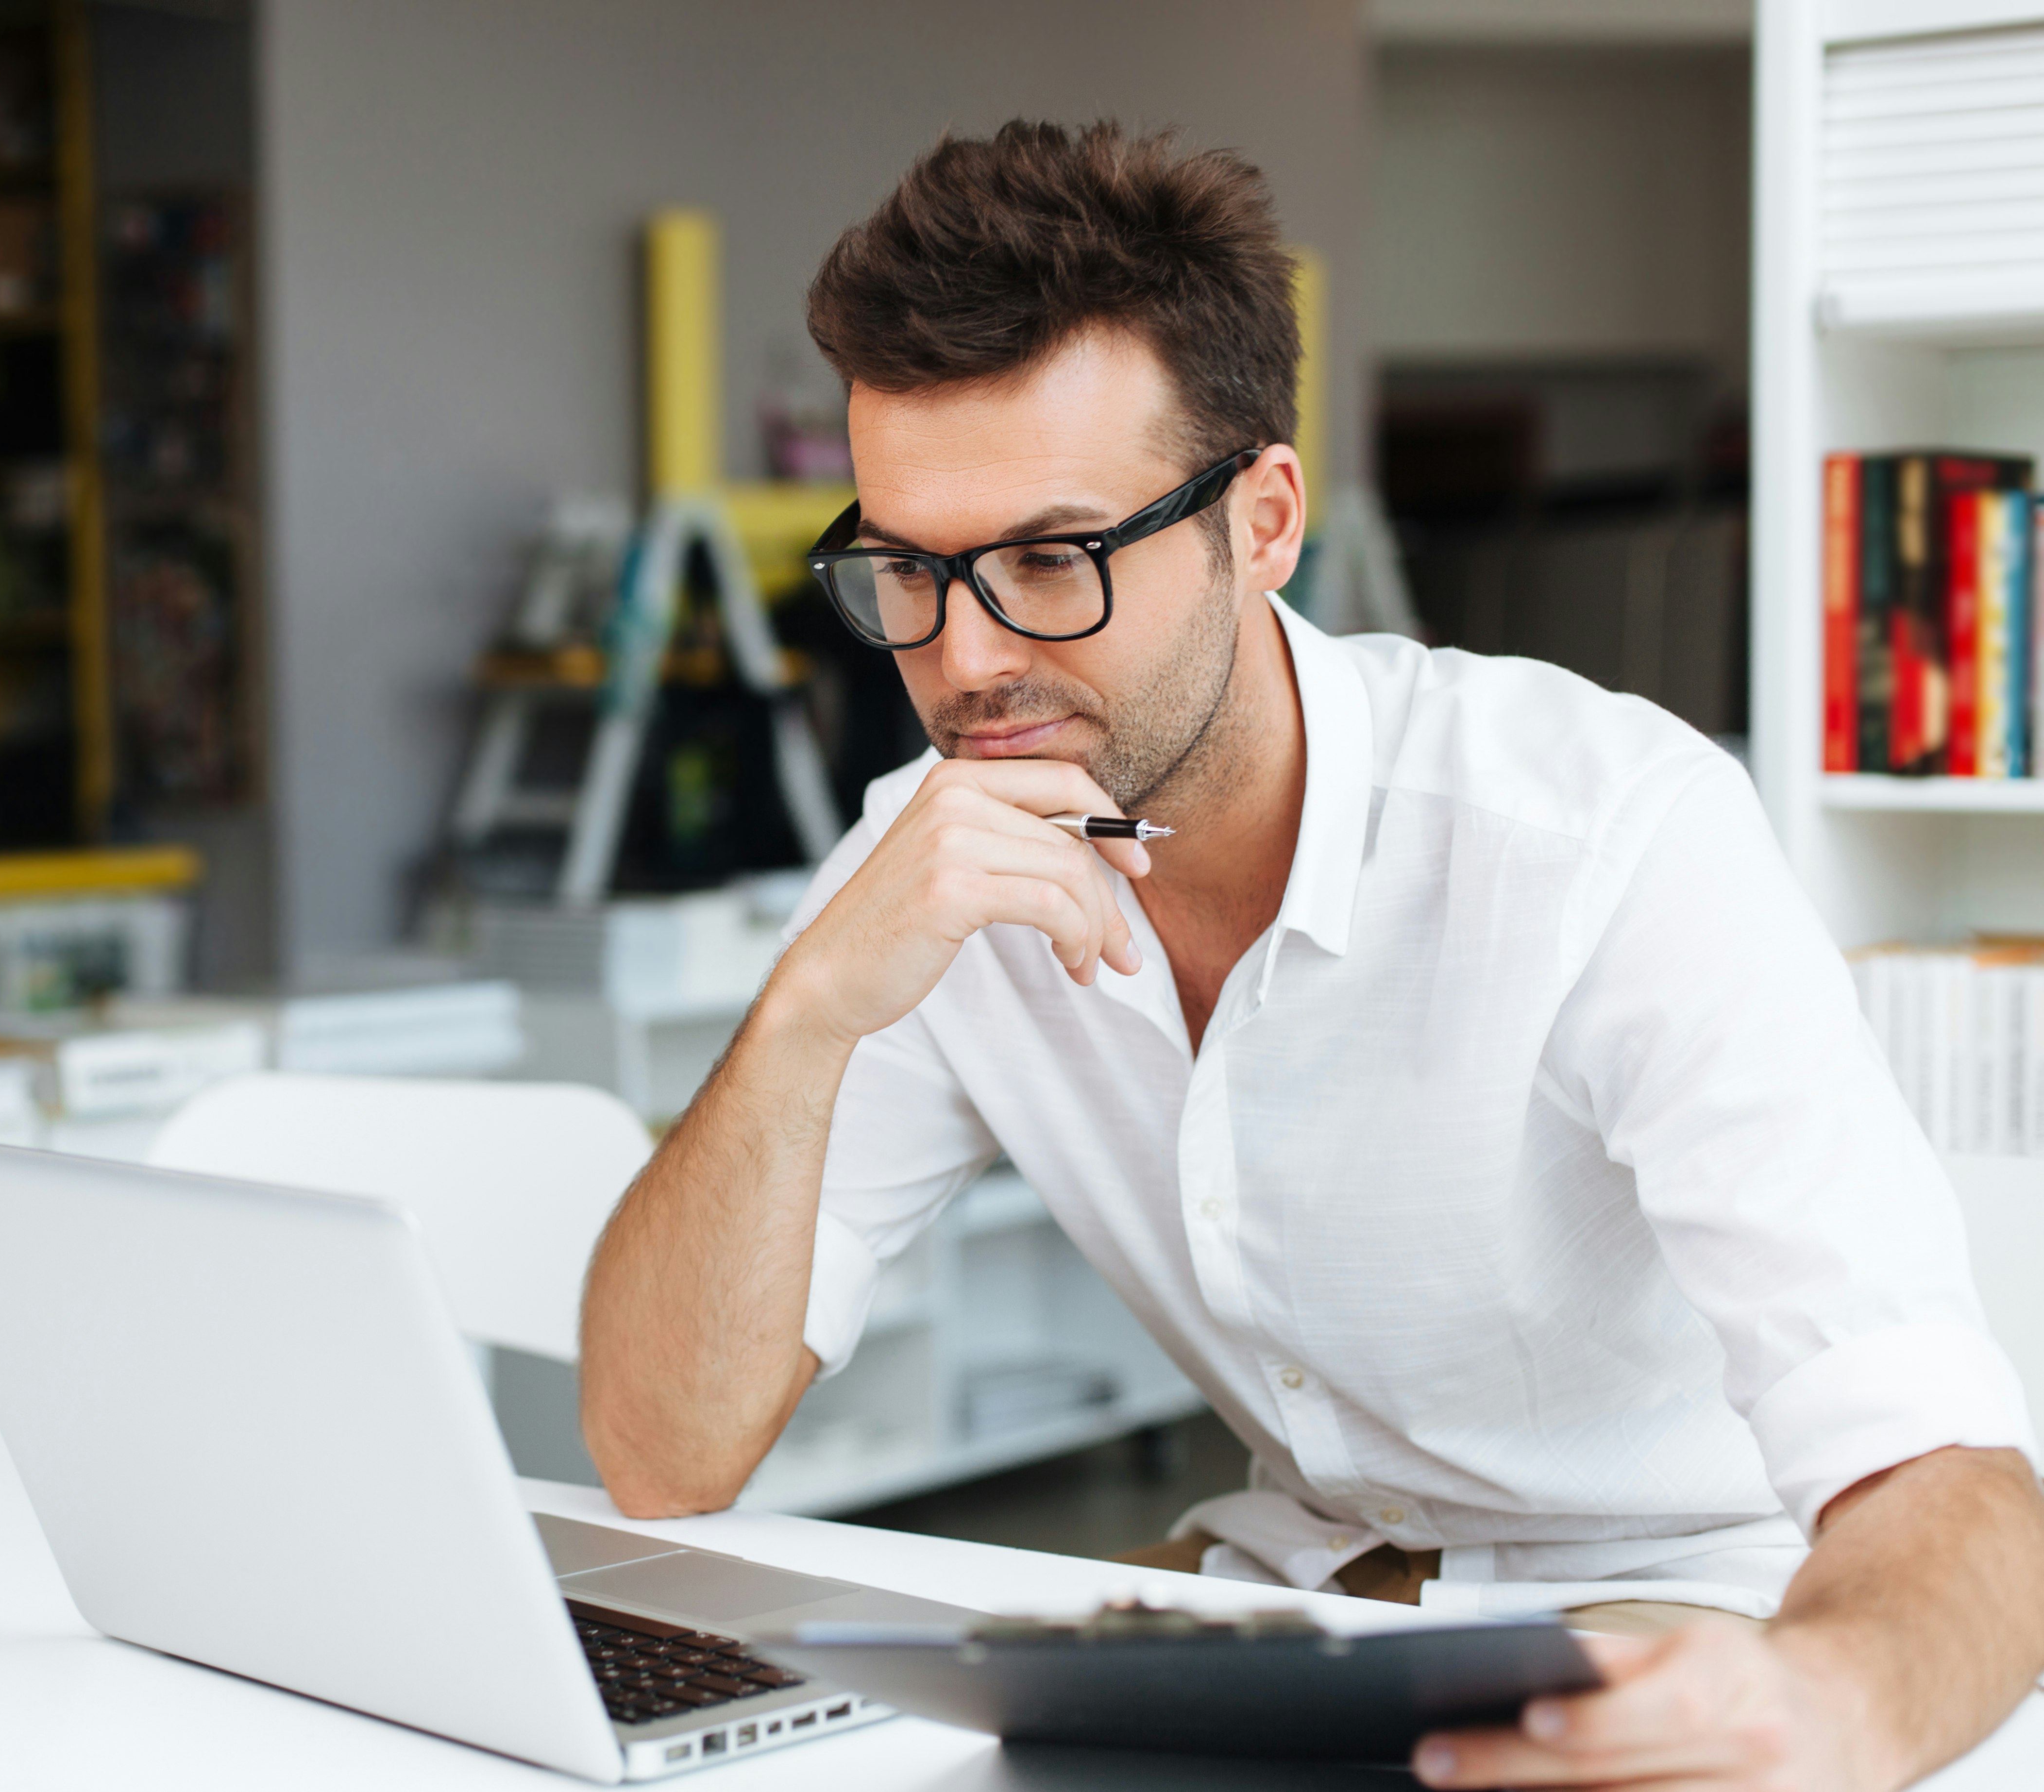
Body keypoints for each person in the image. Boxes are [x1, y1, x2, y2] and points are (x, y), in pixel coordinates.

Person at [577, 121, 2044, 1792]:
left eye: (1054, 559)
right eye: (909, 570)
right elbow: (658, 1454)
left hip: (1682, 1627)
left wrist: (1836, 1710)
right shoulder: (934, 859)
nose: (969, 659)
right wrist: (806, 1016)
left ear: (1263, 521)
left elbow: (1951, 1475)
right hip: (1283, 1623)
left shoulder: (1608, 840)